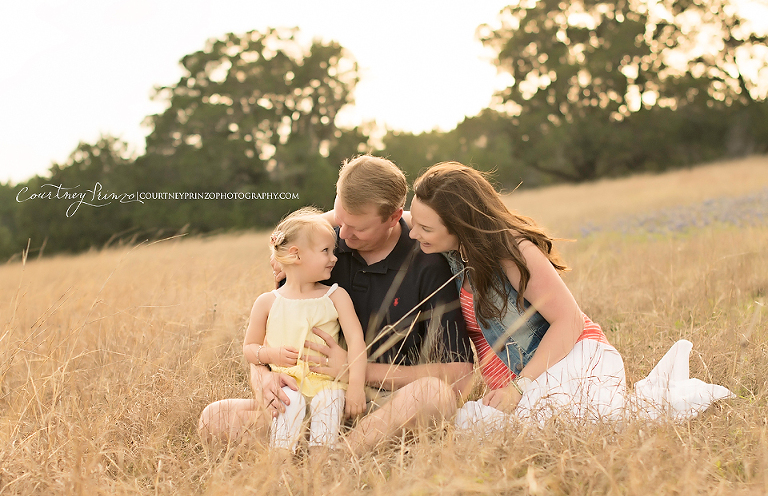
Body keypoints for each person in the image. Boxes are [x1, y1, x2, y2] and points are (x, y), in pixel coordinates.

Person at [409, 162, 733, 430]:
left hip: (573, 359)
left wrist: (520, 388)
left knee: (580, 425)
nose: (414, 233)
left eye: (425, 228)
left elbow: (569, 321)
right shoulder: (454, 249)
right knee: (474, 429)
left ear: (461, 223)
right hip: (521, 381)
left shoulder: (512, 250)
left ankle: (678, 398)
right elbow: (387, 219)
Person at [198, 155, 474, 452]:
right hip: (308, 398)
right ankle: (321, 443)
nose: (343, 235)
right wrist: (263, 379)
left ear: (395, 217)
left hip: (385, 405)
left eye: (358, 229)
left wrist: (356, 370)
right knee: (214, 419)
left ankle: (338, 455)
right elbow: (265, 348)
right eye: (339, 220)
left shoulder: (427, 261)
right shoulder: (318, 247)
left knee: (435, 396)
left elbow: (462, 376)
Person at [242, 208, 366, 452]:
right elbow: (249, 348)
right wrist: (270, 355)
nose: (334, 258)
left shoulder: (336, 295)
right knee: (289, 402)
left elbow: (356, 341)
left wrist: (355, 387)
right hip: (289, 383)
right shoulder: (267, 301)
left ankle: (322, 467)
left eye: (333, 251)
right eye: (325, 251)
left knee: (328, 402)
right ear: (295, 255)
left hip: (327, 382)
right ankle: (281, 467)